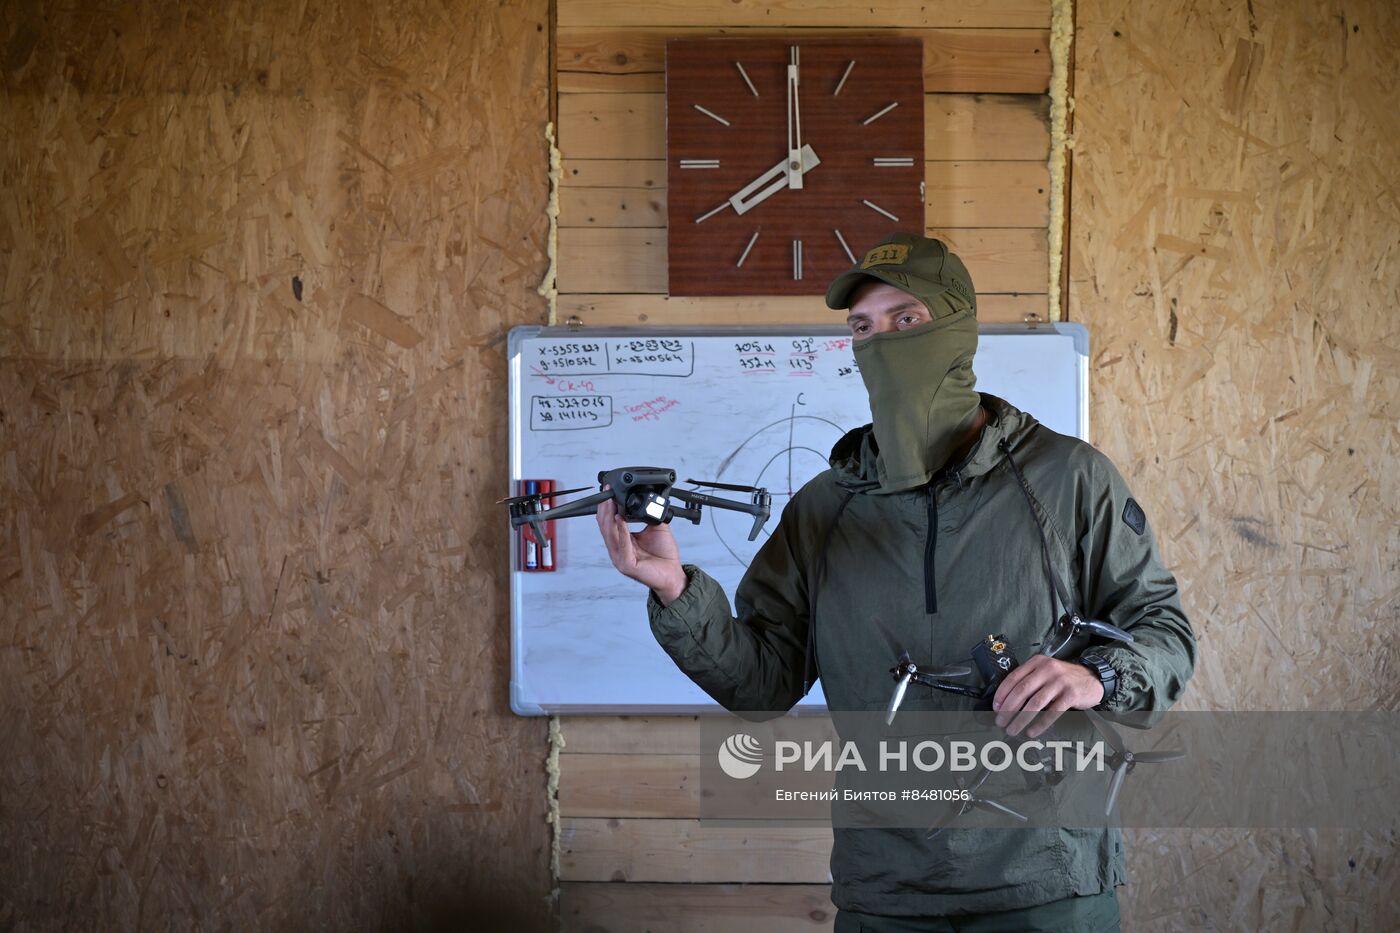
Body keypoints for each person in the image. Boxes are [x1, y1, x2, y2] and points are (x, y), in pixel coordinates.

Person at [596, 233, 1197, 931]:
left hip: (1046, 879)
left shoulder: (1068, 479)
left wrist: (1093, 676)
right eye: (862, 327)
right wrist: (675, 591)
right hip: (886, 888)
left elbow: (1165, 634)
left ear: (957, 330)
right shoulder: (825, 507)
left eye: (905, 320)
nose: (880, 343)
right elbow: (762, 682)